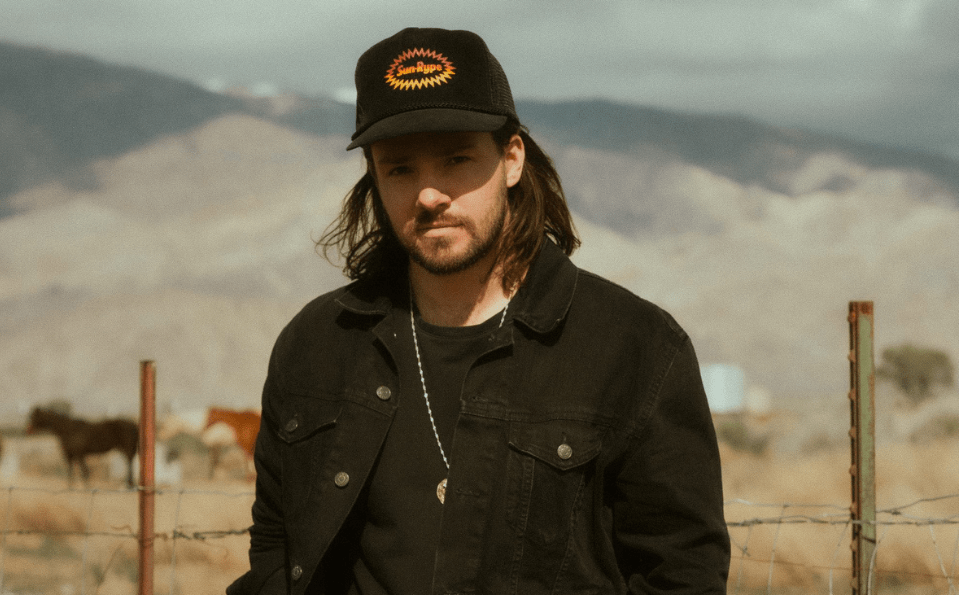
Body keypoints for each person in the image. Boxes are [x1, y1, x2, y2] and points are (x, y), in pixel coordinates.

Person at [228, 27, 730, 595]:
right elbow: (276, 547)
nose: (429, 194)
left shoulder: (634, 347)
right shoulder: (317, 344)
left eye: (456, 159)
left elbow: (683, 573)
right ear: (374, 175)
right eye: (400, 168)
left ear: (511, 159)